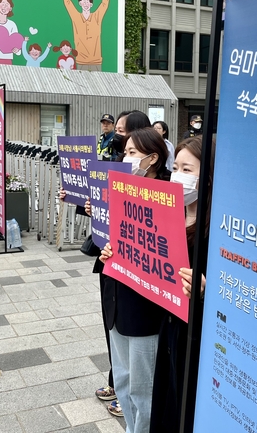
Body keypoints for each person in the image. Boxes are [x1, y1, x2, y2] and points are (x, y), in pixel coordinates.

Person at [98, 128, 171, 431]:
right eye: (124, 152)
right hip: (116, 302)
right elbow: (104, 239)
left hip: (145, 312)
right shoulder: (119, 188)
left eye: (131, 153)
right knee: (124, 382)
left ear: (152, 158)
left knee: (144, 389)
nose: (124, 158)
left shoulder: (169, 196)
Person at [150, 135, 214, 433]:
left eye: (187, 170)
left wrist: (205, 289)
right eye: (175, 167)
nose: (178, 176)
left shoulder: (217, 228)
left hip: (196, 335)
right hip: (169, 324)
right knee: (166, 398)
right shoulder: (167, 214)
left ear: (209, 177)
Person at [57, 0, 114, 71]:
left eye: (88, 1)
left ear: (91, 4)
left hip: (96, 61)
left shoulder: (97, 17)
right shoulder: (76, 17)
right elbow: (67, 2)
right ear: (79, 3)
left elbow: (104, 4)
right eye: (83, 1)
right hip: (81, 61)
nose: (85, 3)